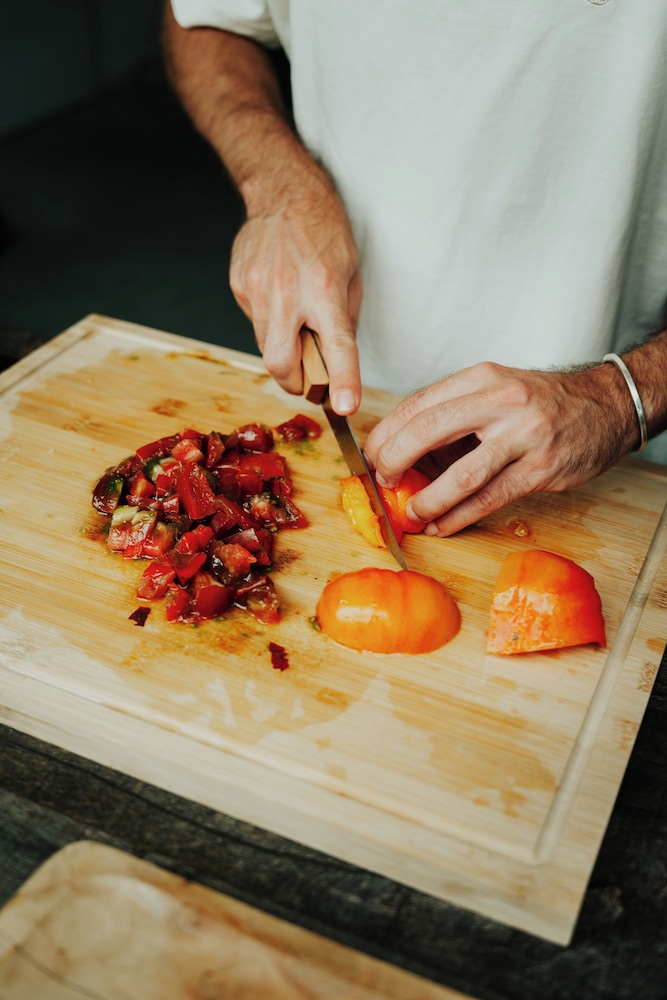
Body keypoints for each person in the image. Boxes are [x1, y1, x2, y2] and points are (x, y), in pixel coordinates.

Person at [162, 1, 667, 537]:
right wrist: (276, 183)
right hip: (340, 377)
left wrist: (621, 398)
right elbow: (203, 19)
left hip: (616, 445)